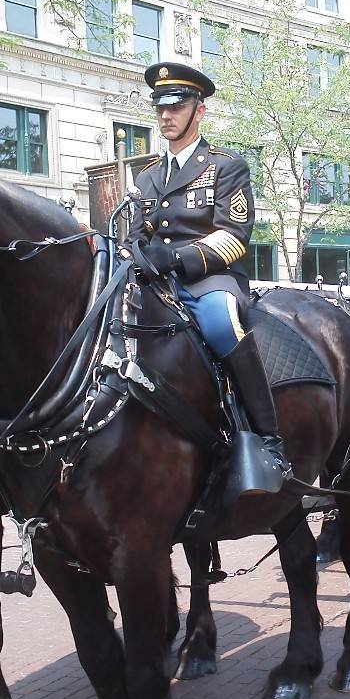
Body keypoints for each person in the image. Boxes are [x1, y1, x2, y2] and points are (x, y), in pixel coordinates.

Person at [128, 61, 290, 493]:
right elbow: (136, 233)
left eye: (176, 107)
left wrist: (177, 258)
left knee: (221, 321)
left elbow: (236, 237)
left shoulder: (225, 165)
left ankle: (268, 442)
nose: (165, 115)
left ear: (199, 111)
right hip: (157, 282)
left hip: (208, 278)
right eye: (160, 108)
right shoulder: (145, 176)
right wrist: (137, 251)